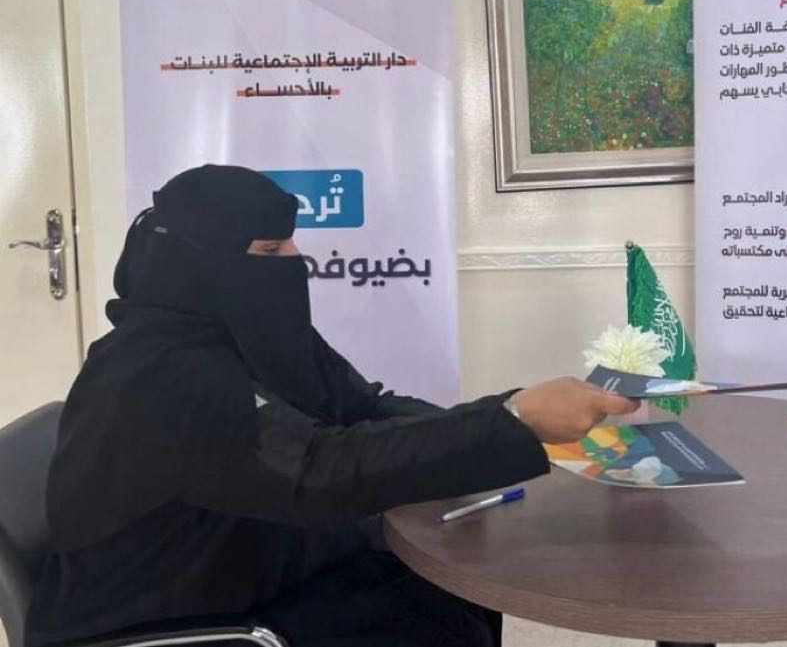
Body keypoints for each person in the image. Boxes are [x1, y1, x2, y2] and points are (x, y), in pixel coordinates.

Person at [25, 165, 638, 647]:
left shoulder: (246, 333)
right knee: (428, 616)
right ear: (199, 264)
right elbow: (315, 471)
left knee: (444, 587)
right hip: (165, 612)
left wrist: (507, 412)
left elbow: (362, 409)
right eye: (271, 250)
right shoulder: (158, 374)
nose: (296, 263)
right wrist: (513, 422)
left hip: (245, 562)